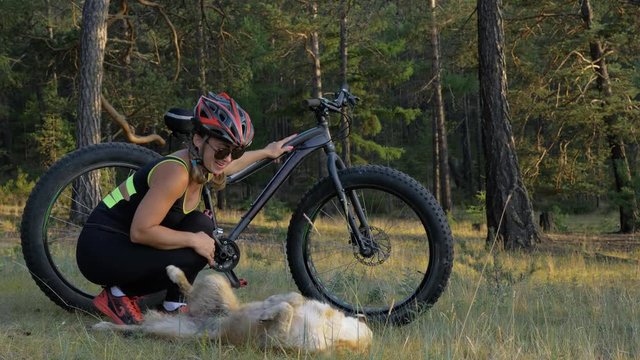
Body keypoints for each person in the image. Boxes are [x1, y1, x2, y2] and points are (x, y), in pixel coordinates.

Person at [76, 92, 295, 325]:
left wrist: (267, 152)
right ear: (198, 139)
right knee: (197, 241)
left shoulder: (202, 163)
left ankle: (174, 305)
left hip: (122, 245)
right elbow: (140, 231)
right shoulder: (176, 173)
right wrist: (193, 240)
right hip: (100, 250)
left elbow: (229, 166)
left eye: (234, 151)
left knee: (203, 226)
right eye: (222, 150)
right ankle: (118, 295)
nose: (227, 158)